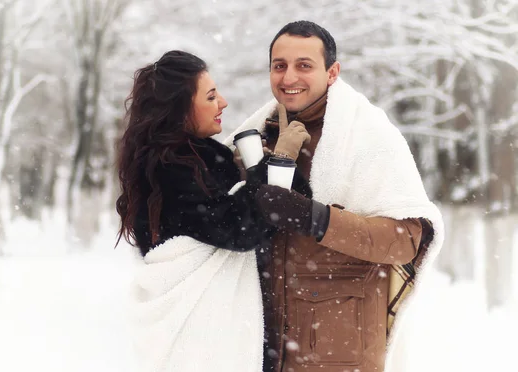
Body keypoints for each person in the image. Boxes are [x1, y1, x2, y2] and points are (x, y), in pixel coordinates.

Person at [224, 21, 444, 372]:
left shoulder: (367, 134)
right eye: (279, 66)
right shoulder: (254, 137)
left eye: (304, 66)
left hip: (337, 351)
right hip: (261, 348)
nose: (289, 77)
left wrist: (314, 217)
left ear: (332, 72)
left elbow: (406, 240)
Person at [115, 50, 311, 372]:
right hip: (200, 327)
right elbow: (240, 229)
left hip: (223, 324)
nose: (223, 102)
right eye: (210, 96)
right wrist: (278, 164)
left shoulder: (204, 158)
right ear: (179, 109)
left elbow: (287, 210)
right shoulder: (170, 169)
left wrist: (267, 165)